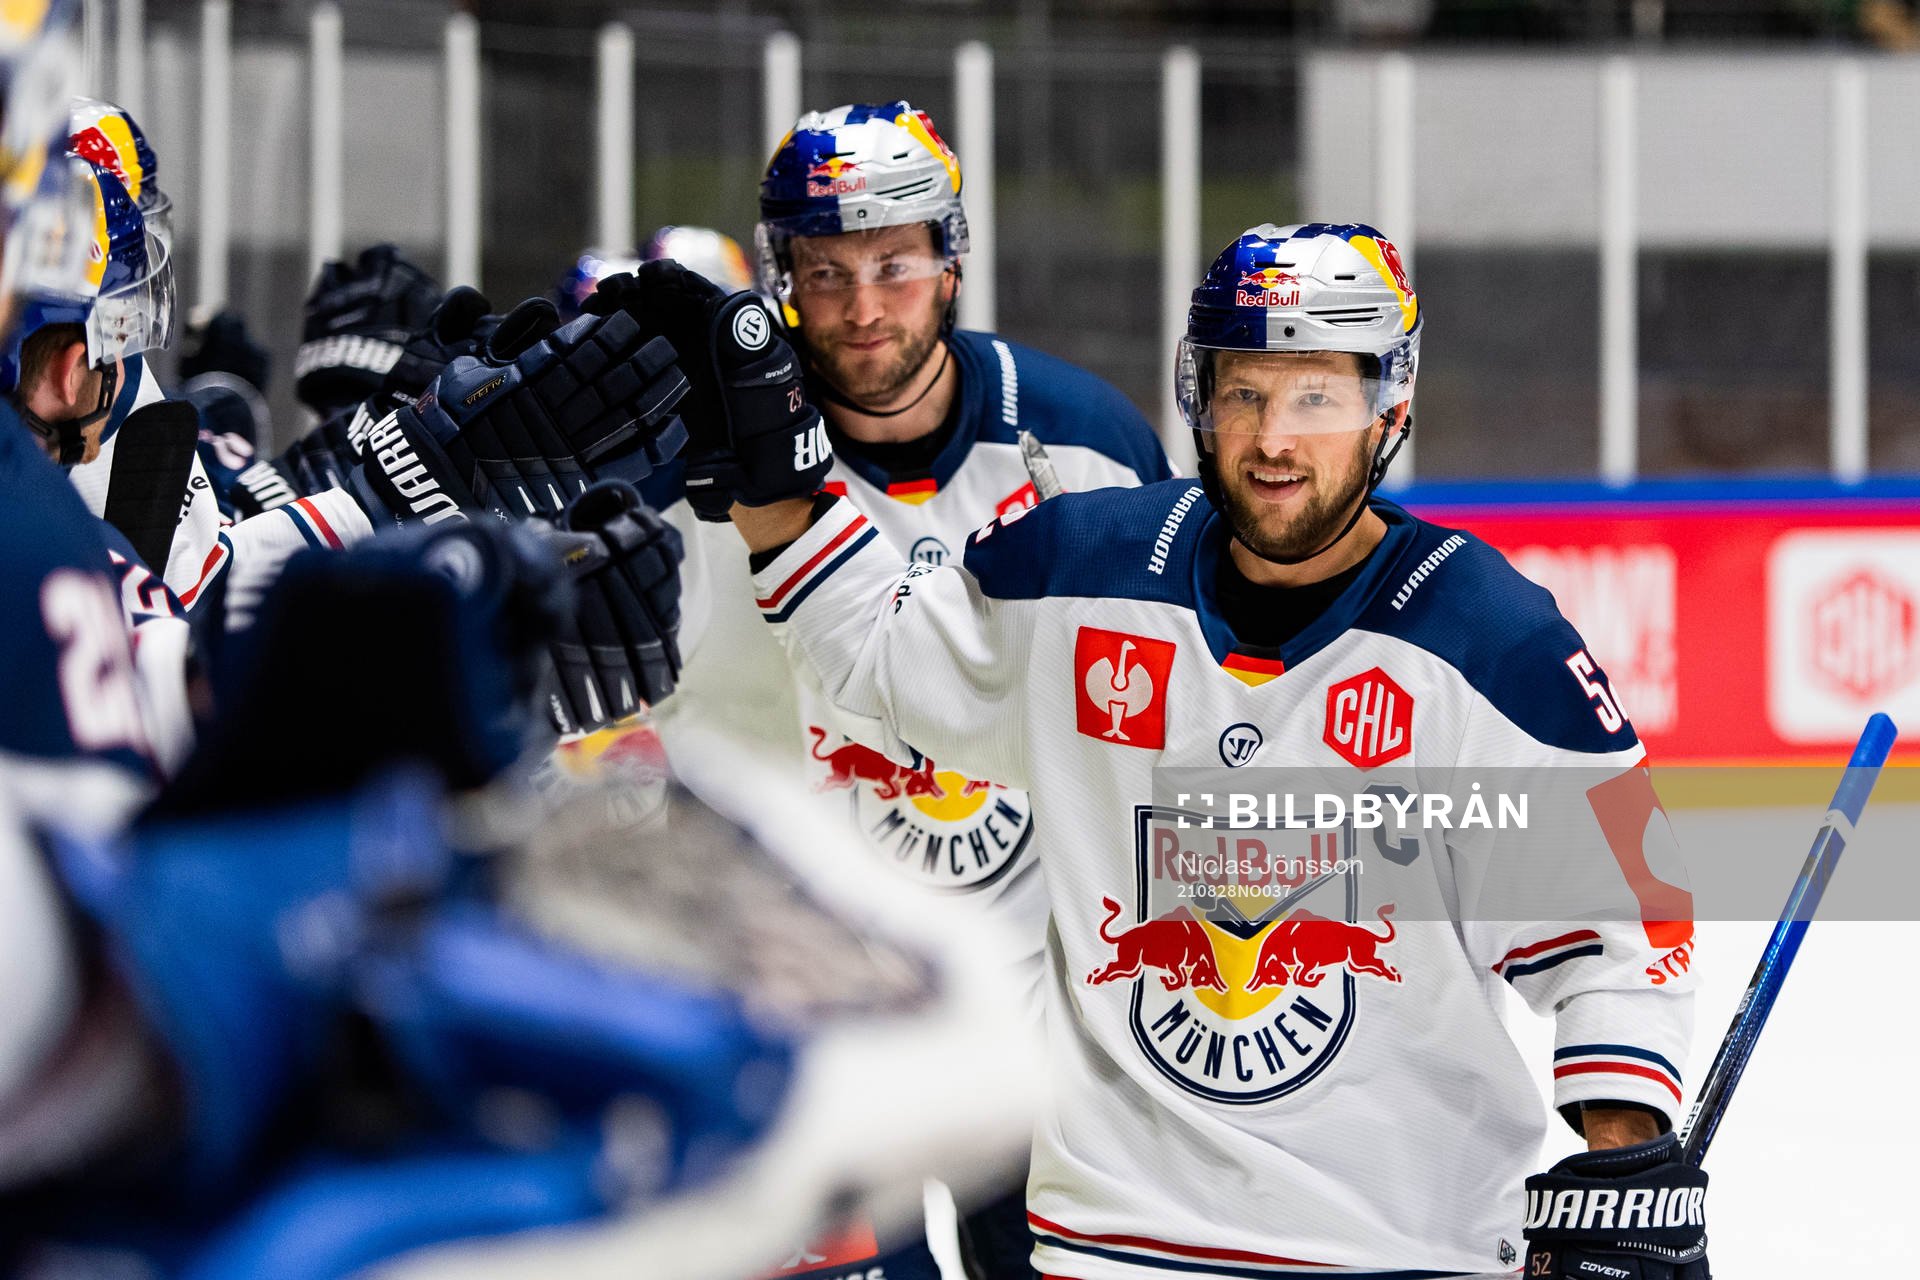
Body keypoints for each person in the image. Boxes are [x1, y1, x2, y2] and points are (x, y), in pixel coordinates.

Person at [662, 221, 1705, 1279]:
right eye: (1244, 392)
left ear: (1392, 405)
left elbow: (1622, 915)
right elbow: (880, 652)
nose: (1273, 440)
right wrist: (765, 473)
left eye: (1317, 398)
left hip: (1396, 1249)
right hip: (1113, 1244)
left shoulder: (1494, 641)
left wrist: (1627, 1166)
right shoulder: (1078, 569)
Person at [605, 99, 1170, 1280]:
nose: (864, 306)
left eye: (895, 264)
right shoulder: (691, 471)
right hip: (804, 1019)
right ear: (783, 281)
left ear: (950, 261)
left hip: (1037, 1019)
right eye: (827, 270)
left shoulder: (1085, 441)